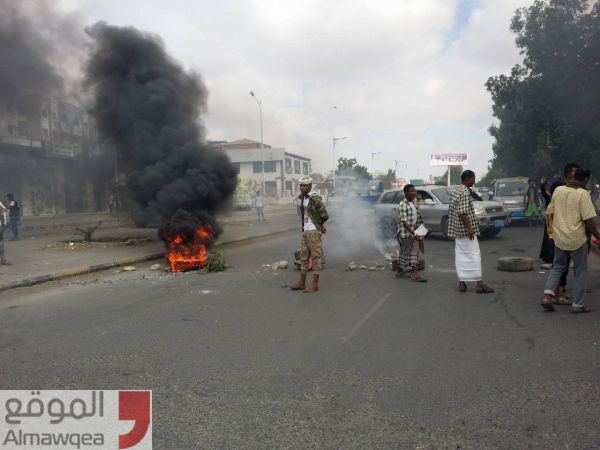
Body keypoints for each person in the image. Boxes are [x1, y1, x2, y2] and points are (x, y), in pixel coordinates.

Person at [541, 168, 600, 313]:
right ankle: (578, 305)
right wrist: (598, 237)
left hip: (560, 237)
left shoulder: (558, 190)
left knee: (557, 267)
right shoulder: (583, 194)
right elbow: (588, 220)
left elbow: (550, 212)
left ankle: (547, 297)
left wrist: (552, 233)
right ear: (586, 180)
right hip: (577, 239)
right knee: (580, 272)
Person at [539, 163, 580, 302]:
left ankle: (552, 295)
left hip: (557, 236)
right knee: (562, 267)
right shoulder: (558, 199)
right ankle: (559, 294)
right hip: (563, 237)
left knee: (559, 267)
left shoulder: (554, 201)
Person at [448, 170, 494, 293]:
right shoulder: (464, 192)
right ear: (467, 178)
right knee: (474, 255)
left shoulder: (456, 191)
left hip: (457, 231)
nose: (474, 181)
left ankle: (461, 283)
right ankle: (479, 284)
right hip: (466, 231)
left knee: (461, 255)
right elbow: (462, 212)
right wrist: (469, 228)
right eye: (473, 178)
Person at [290, 177, 329, 293]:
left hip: (313, 231)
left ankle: (314, 284)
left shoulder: (315, 199)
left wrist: (319, 225)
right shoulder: (303, 199)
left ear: (310, 186)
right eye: (301, 185)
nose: (302, 187)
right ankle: (302, 283)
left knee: (316, 257)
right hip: (306, 230)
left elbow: (325, 215)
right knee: (304, 256)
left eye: (305, 185)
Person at [395, 184, 426, 282]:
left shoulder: (414, 202)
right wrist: (415, 233)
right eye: (411, 191)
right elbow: (404, 223)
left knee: (410, 252)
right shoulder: (402, 204)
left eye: (414, 191)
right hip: (406, 233)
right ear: (405, 193)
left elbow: (418, 218)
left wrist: (421, 231)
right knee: (409, 253)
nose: (414, 193)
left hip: (414, 231)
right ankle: (411, 273)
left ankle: (404, 272)